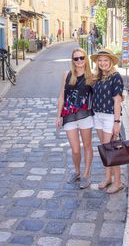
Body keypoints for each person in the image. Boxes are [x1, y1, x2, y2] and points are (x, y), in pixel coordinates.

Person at [56, 48, 93, 189]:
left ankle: (86, 175)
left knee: (87, 146)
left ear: (86, 59)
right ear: (72, 60)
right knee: (76, 149)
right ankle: (77, 171)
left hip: (85, 116)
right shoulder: (67, 75)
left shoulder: (91, 76)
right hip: (69, 116)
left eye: (81, 58)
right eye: (76, 58)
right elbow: (61, 96)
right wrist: (58, 116)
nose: (79, 61)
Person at [91, 48, 124, 194]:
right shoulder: (97, 76)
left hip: (110, 117)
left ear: (111, 61)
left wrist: (117, 122)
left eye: (105, 60)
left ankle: (118, 182)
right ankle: (107, 178)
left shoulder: (116, 77)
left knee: (111, 150)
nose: (102, 63)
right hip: (97, 115)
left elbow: (117, 100)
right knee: (105, 149)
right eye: (100, 60)